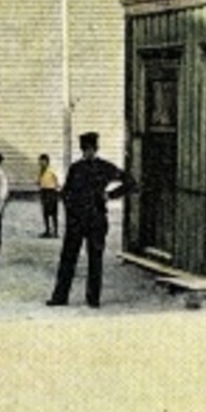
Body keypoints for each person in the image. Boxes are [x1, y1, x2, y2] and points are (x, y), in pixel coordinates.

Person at [48, 132, 132, 308]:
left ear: (96, 149)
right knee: (68, 259)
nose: (88, 153)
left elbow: (130, 182)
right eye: (85, 150)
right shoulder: (75, 168)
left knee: (95, 260)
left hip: (96, 220)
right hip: (77, 221)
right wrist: (70, 211)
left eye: (91, 149)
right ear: (82, 150)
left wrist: (110, 195)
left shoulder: (105, 167)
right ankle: (60, 297)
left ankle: (93, 299)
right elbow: (66, 193)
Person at [37, 152, 61, 238]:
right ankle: (47, 230)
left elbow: (58, 180)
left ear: (47, 161)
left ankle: (55, 231)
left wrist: (57, 189)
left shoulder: (51, 170)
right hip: (44, 192)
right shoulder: (41, 171)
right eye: (40, 161)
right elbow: (39, 181)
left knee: (53, 212)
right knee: (45, 213)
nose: (41, 163)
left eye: (42, 161)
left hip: (51, 192)